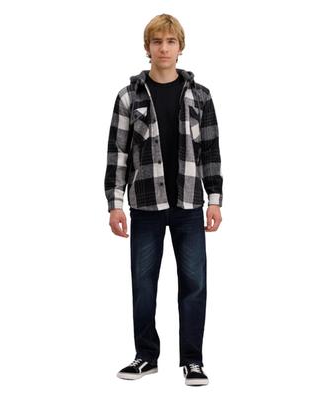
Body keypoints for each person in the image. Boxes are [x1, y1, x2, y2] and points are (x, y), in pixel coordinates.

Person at [104, 13, 223, 386]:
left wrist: (215, 199)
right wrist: (115, 204)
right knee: (143, 285)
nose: (164, 49)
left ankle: (193, 361)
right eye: (157, 42)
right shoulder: (129, 97)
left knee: (194, 283)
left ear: (180, 47)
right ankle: (145, 357)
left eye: (170, 42)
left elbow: (211, 151)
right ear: (147, 48)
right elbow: (117, 154)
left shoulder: (200, 96)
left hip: (189, 205)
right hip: (144, 206)